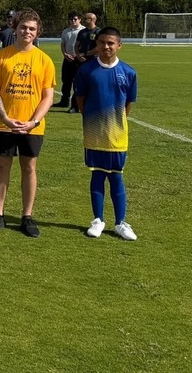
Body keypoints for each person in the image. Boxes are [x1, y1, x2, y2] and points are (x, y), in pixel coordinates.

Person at [0, 9, 56, 238]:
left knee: (29, 167)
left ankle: (27, 216)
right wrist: (4, 118)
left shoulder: (44, 60)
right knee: (2, 167)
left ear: (37, 31)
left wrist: (33, 121)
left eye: (32, 28)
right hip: (4, 124)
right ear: (15, 29)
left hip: (32, 126)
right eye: (23, 27)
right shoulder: (1, 56)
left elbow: (48, 96)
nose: (27, 32)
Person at [74, 26, 138, 241]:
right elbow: (80, 100)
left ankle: (121, 223)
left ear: (119, 45)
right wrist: (92, 120)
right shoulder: (86, 71)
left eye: (111, 43)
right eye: (102, 43)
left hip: (118, 135)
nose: (106, 47)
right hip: (94, 134)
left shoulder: (129, 72)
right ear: (97, 45)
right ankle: (98, 220)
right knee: (97, 175)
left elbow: (129, 103)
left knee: (117, 178)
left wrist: (117, 122)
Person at [72, 12, 100, 112]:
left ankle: (91, 105)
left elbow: (98, 48)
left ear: (92, 20)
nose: (84, 20)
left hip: (93, 61)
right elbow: (76, 45)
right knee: (78, 82)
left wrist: (86, 54)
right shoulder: (82, 32)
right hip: (81, 61)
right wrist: (78, 55)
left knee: (92, 83)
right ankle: (74, 106)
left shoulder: (98, 32)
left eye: (86, 19)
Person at [56, 12, 83, 108]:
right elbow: (63, 44)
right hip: (67, 59)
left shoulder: (83, 31)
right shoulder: (66, 31)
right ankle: (64, 101)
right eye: (71, 19)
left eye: (75, 19)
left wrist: (77, 56)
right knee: (66, 81)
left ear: (80, 19)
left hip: (78, 60)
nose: (73, 21)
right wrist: (65, 54)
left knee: (77, 82)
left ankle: (75, 105)